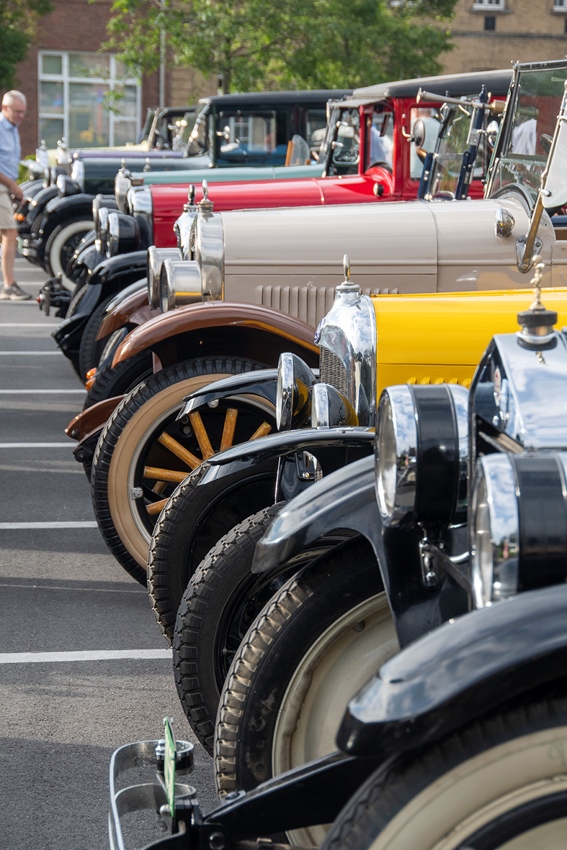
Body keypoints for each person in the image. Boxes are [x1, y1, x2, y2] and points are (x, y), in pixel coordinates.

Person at [0, 90, 31, 301]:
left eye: (23, 112)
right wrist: (12, 185)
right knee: (10, 232)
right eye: (17, 111)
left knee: (7, 234)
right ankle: (9, 285)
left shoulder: (12, 128)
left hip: (6, 186)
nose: (21, 116)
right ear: (4, 108)